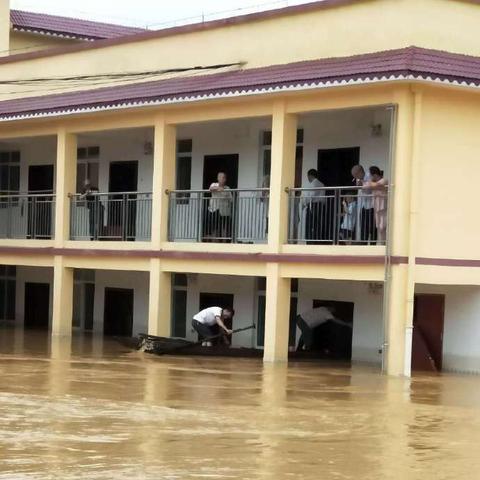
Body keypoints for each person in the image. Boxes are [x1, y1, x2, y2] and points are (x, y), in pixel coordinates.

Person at [351, 165, 376, 244]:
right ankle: (363, 244)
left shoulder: (369, 176)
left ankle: (372, 245)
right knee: (363, 227)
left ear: (360, 172)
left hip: (372, 206)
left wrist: (362, 185)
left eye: (356, 176)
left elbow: (369, 190)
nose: (356, 178)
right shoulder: (359, 179)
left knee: (372, 228)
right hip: (364, 206)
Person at [363, 166, 388, 244]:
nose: (369, 177)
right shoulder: (373, 183)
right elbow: (365, 188)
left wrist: (368, 183)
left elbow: (377, 185)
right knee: (379, 226)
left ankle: (385, 245)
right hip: (377, 207)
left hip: (384, 207)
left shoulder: (384, 180)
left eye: (370, 175)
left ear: (375, 175)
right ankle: (382, 244)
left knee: (383, 226)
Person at [206, 172, 233, 242]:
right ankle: (214, 243)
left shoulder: (227, 188)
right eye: (220, 177)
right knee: (214, 228)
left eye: (223, 177)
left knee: (224, 228)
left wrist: (223, 190)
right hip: (214, 209)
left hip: (224, 212)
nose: (221, 179)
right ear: (218, 178)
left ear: (225, 179)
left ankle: (224, 243)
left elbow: (231, 200)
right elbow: (211, 189)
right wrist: (219, 188)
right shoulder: (214, 184)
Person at [303, 169, 326, 244]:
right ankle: (317, 240)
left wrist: (305, 203)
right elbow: (323, 198)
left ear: (310, 176)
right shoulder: (321, 184)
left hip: (312, 205)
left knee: (310, 224)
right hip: (320, 205)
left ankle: (310, 241)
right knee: (318, 224)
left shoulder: (313, 184)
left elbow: (310, 196)